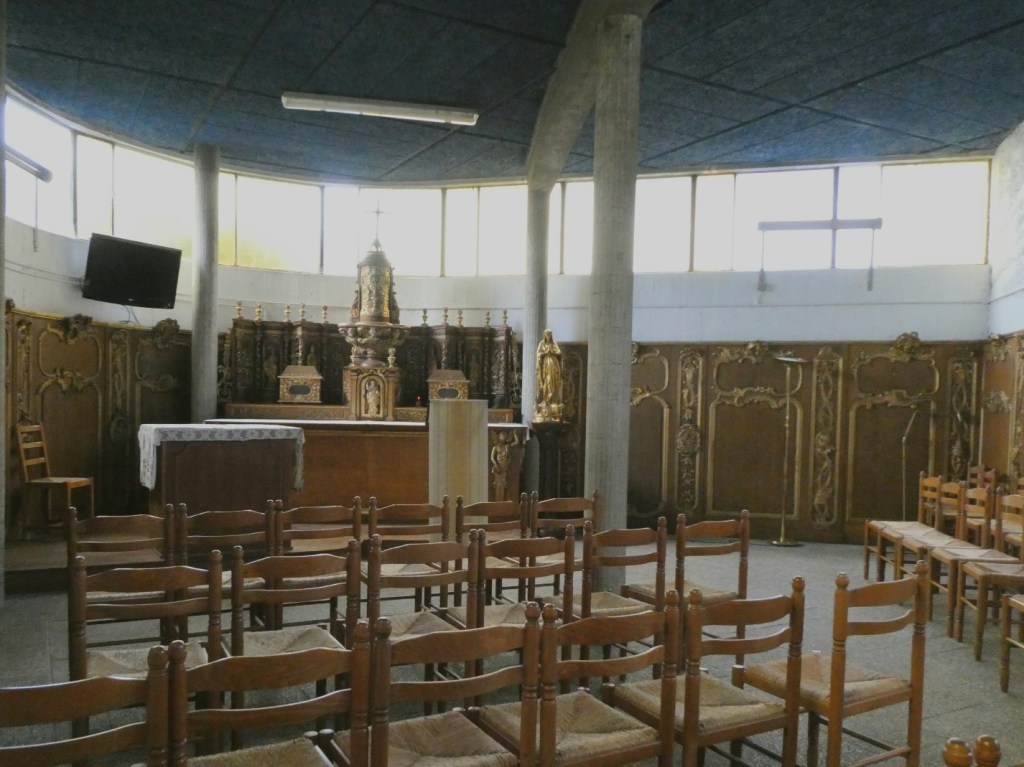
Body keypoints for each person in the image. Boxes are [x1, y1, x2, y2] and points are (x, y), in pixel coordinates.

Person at [535, 329, 564, 421]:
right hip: (545, 367)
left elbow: (559, 353)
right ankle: (546, 400)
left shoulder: (554, 344)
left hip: (553, 365)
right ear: (545, 335)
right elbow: (538, 354)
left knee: (553, 383)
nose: (549, 336)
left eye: (550, 334)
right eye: (547, 334)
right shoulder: (541, 344)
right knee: (546, 383)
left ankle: (553, 401)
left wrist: (553, 352)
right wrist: (544, 353)